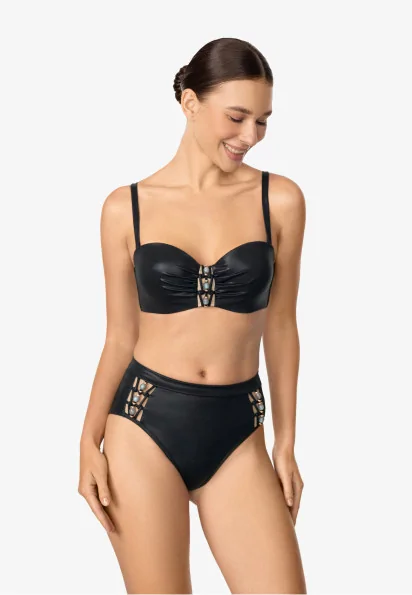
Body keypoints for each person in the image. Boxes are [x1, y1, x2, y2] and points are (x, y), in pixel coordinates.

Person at [78, 37, 307, 594]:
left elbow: (281, 328)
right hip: (142, 424)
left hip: (238, 428)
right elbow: (119, 337)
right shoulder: (125, 207)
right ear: (190, 103)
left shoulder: (279, 200)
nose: (250, 136)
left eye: (262, 121)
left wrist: (285, 443)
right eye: (237, 117)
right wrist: (87, 440)